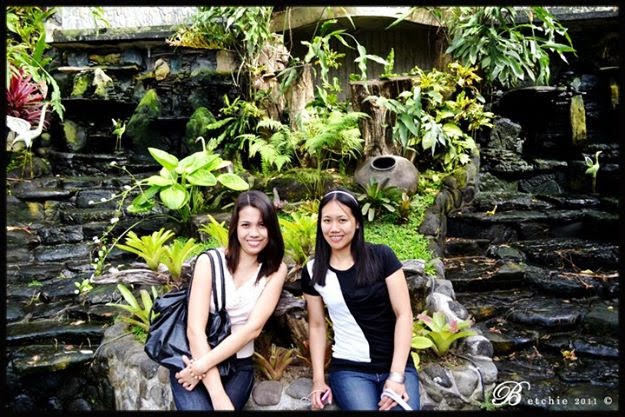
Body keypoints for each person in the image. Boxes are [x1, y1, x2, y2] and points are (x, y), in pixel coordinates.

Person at [300, 188, 420, 411]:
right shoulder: (313, 270)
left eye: (342, 220)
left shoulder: (382, 256)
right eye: (327, 220)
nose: (334, 228)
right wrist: (318, 380)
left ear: (356, 223)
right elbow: (316, 325)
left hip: (395, 365)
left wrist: (396, 376)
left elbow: (404, 314)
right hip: (349, 370)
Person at [172, 190, 287, 410]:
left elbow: (252, 329)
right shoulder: (209, 262)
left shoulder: (275, 270)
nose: (254, 233)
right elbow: (195, 330)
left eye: (262, 225)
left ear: (271, 228)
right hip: (193, 356)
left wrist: (200, 368)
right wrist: (216, 393)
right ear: (235, 227)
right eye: (246, 225)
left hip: (237, 364)